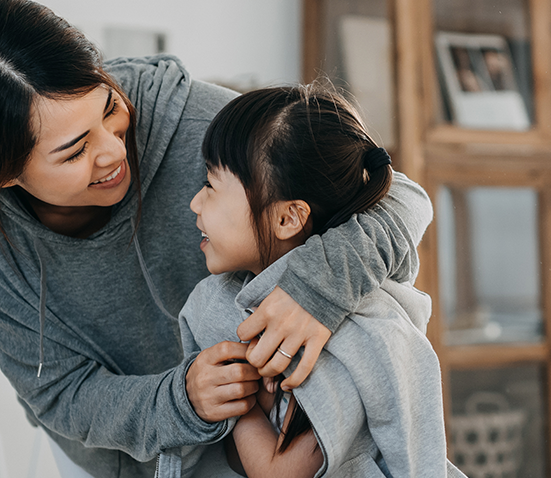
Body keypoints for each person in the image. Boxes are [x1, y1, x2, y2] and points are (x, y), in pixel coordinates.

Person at [0, 0, 431, 478]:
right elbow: (59, 392)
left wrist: (317, 287)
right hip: (113, 459)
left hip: (266, 437)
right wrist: (182, 399)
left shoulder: (203, 121)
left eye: (108, 107)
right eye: (73, 151)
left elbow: (397, 195)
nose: (112, 150)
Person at [162, 84, 462, 478]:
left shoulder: (353, 336)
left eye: (210, 186)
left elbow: (279, 472)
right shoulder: (217, 300)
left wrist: (243, 403)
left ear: (287, 218)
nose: (194, 203)